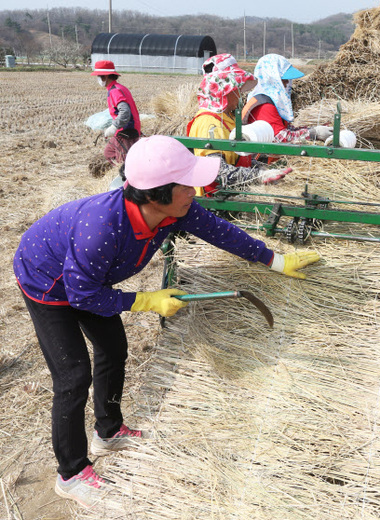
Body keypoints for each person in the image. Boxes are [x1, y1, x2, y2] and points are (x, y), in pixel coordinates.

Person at [13, 135, 321, 509]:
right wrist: (145, 300)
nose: (196, 190)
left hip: (88, 279)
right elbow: (81, 296)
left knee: (113, 348)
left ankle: (108, 431)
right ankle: (71, 473)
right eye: (187, 183)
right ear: (156, 195)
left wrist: (275, 260)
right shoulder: (102, 229)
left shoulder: (175, 209)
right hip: (48, 281)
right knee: (73, 377)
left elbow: (220, 232)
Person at [187, 53, 292, 195]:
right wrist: (258, 176)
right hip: (212, 201)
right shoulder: (208, 123)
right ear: (223, 91)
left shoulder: (226, 118)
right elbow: (219, 172)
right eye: (235, 88)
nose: (239, 92)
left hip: (229, 193)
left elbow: (238, 158)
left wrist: (261, 169)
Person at [242, 53, 333, 145]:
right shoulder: (265, 106)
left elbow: (286, 129)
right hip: (262, 157)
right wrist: (314, 133)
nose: (287, 83)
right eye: (283, 79)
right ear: (271, 79)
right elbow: (280, 138)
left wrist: (312, 129)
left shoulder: (267, 99)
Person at [91, 60, 141, 165]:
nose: (98, 80)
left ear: (106, 77)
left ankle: (126, 180)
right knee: (109, 153)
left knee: (124, 163)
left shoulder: (115, 91)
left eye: (99, 77)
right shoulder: (118, 88)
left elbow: (125, 112)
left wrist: (114, 127)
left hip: (127, 132)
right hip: (123, 130)